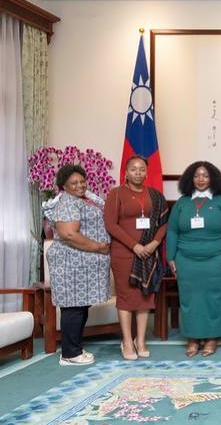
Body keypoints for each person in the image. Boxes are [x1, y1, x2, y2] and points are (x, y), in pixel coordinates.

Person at [166, 161, 221, 357]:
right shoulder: (183, 202)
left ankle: (211, 338)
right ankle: (192, 338)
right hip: (186, 261)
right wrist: (170, 257)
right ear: (190, 179)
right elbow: (172, 231)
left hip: (217, 260)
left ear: (212, 178)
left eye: (205, 176)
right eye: (197, 175)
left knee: (214, 299)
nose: (201, 179)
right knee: (190, 300)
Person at [45, 165, 111, 366]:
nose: (80, 185)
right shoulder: (66, 203)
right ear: (63, 186)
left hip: (81, 264)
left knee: (79, 306)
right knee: (73, 308)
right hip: (70, 263)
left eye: (82, 181)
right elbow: (69, 234)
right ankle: (70, 354)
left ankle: (74, 348)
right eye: (74, 183)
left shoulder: (81, 199)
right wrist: (98, 247)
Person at [104, 155, 168, 361]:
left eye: (141, 169)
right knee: (126, 297)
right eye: (133, 169)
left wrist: (153, 244)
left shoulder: (155, 196)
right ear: (126, 172)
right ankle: (126, 340)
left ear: (146, 172)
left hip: (149, 253)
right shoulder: (116, 194)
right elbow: (111, 225)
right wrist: (135, 245)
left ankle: (141, 339)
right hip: (124, 254)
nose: (138, 173)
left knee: (144, 296)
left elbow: (163, 223)